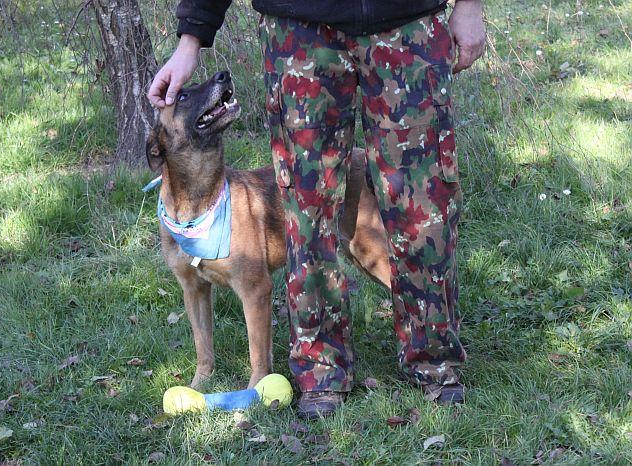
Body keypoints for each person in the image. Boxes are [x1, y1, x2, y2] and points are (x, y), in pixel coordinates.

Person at [148, 0, 485, 419]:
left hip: (409, 21)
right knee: (307, 219)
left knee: (422, 208)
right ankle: (321, 370)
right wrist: (191, 37)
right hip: (300, 30)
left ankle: (434, 361)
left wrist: (470, 5)